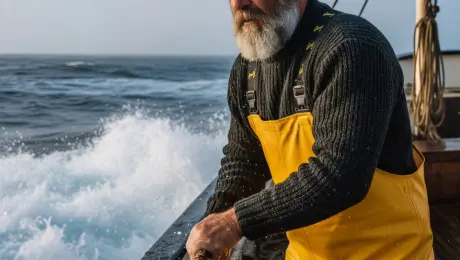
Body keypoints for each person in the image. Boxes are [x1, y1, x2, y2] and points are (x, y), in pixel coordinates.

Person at [186, 0, 435, 259]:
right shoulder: (245, 70)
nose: (239, 4)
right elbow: (244, 163)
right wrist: (210, 225)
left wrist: (234, 221)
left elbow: (341, 176)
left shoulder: (352, 46)